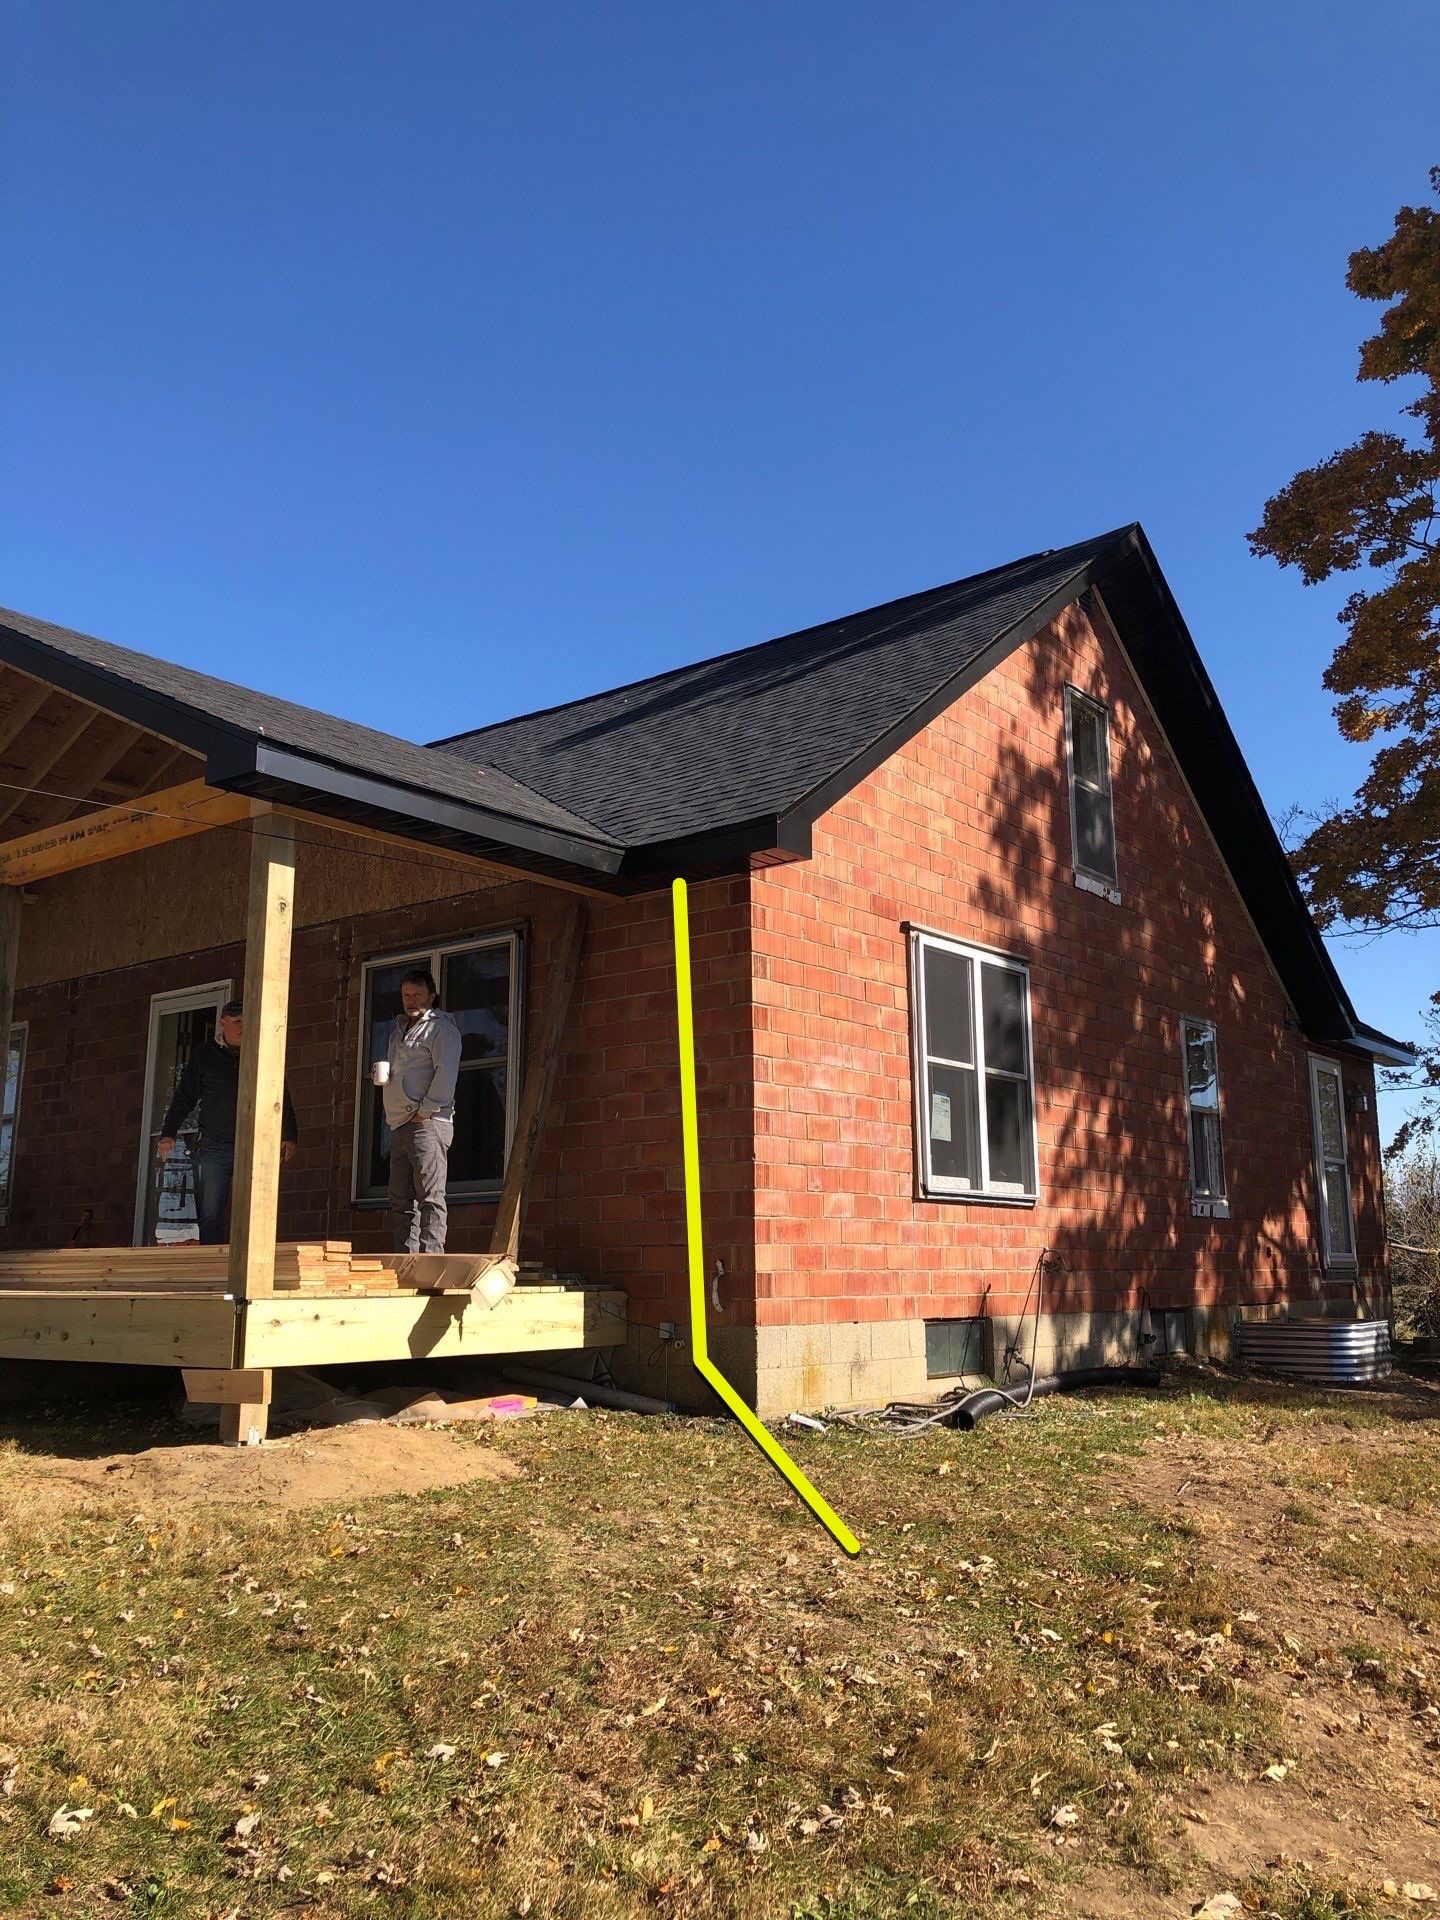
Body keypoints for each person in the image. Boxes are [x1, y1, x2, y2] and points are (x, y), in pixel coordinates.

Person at [154, 1000, 299, 1245]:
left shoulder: (263, 1052)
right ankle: (214, 1267)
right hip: (214, 1145)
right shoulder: (205, 1054)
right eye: (237, 1022)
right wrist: (168, 1133)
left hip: (254, 1145)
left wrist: (289, 1134)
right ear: (223, 1024)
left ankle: (253, 1267)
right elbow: (184, 1096)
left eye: (247, 1020)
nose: (244, 1027)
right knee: (211, 1212)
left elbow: (280, 1094)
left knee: (256, 1212)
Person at [382, 967, 462, 1253]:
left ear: (432, 996)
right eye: (406, 995)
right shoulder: (398, 1031)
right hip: (399, 1123)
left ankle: (430, 1263)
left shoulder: (440, 1028)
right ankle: (406, 1263)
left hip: (427, 1122)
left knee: (430, 1195)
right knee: (400, 1198)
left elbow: (446, 1073)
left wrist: (426, 1111)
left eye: (417, 994)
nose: (411, 1000)